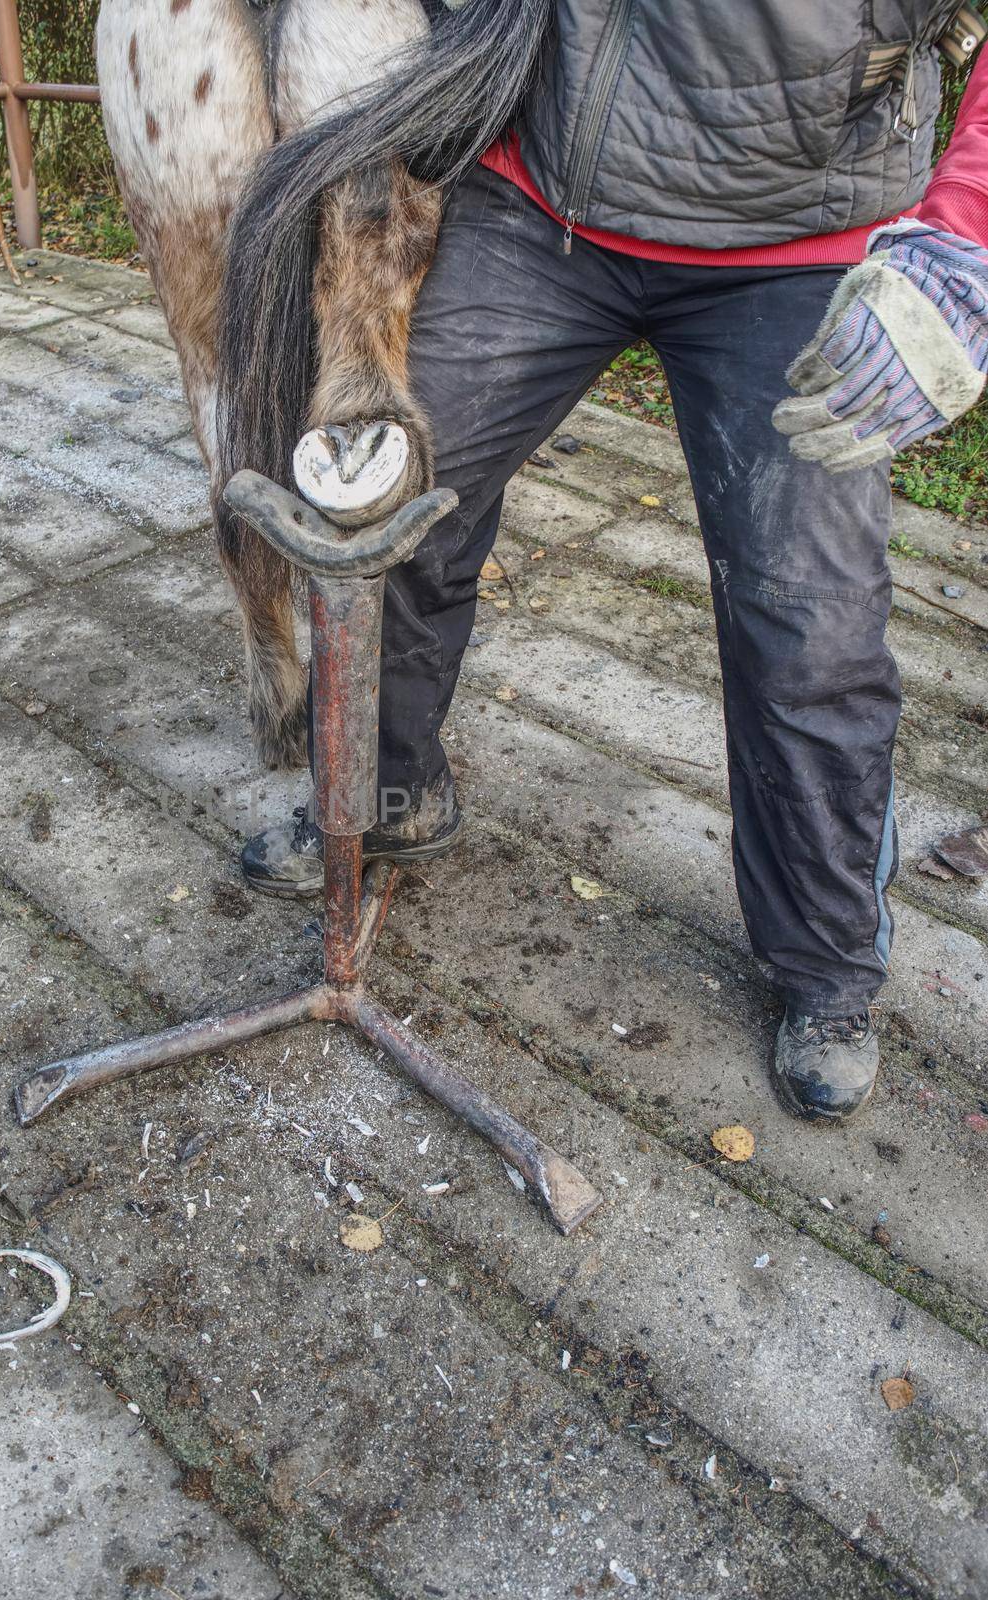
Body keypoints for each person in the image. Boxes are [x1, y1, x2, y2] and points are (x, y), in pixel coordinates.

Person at [241, 4, 988, 1123]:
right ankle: (390, 790)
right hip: (540, 199)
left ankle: (825, 964)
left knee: (808, 624)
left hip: (799, 237)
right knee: (384, 506)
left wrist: (966, 230)